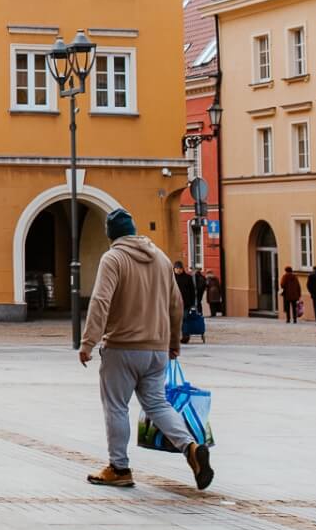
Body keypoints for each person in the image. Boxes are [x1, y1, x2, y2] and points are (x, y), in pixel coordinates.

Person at [80, 208, 215, 491]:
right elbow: (175, 304)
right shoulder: (161, 258)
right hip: (156, 350)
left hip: (122, 347)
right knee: (157, 404)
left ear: (111, 235)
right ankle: (190, 448)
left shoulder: (113, 258)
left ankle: (119, 468)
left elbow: (101, 301)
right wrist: (174, 344)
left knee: (116, 406)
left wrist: (88, 342)